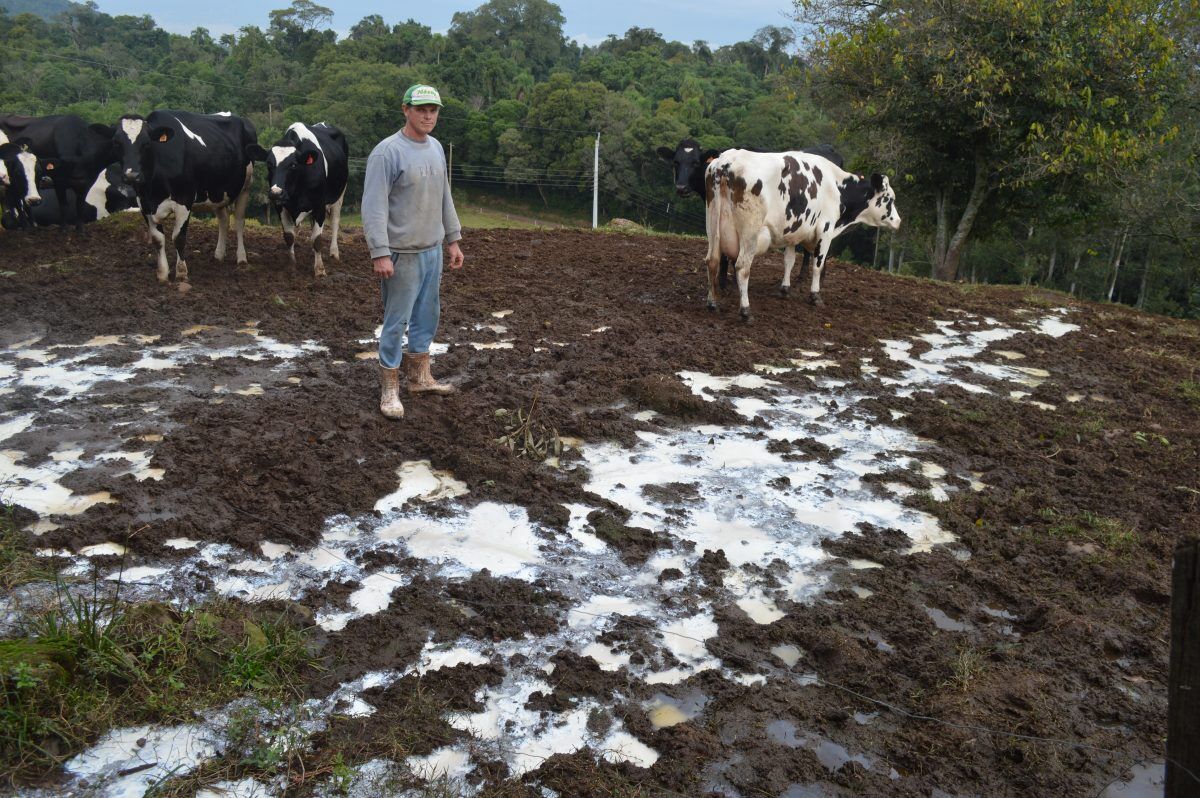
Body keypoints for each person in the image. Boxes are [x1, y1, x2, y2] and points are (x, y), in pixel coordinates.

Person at [361, 83, 465, 419]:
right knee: (396, 320)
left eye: (433, 110)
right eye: (421, 109)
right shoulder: (387, 152)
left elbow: (444, 196)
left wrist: (453, 238)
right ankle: (389, 388)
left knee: (427, 315)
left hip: (432, 249)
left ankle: (420, 377)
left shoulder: (435, 148)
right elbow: (373, 206)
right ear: (405, 109)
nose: (428, 115)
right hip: (401, 253)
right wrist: (379, 251)